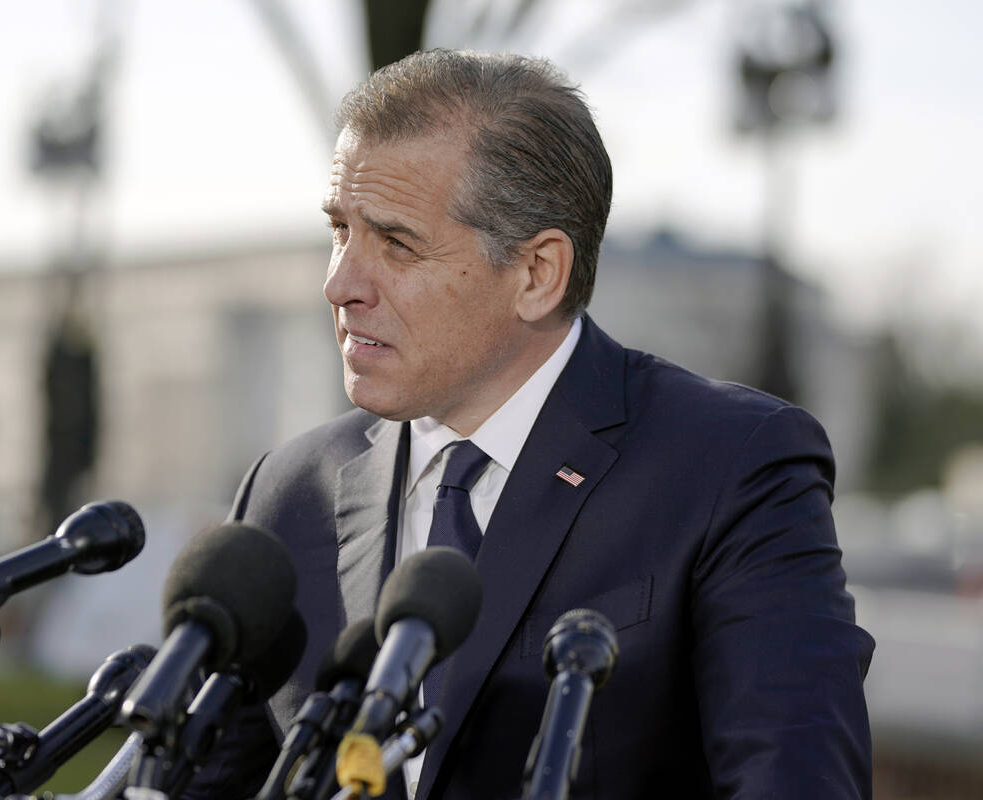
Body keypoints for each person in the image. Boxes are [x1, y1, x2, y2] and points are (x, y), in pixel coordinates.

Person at [189, 49, 874, 800]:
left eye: (394, 242)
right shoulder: (287, 494)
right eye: (339, 229)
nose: (340, 283)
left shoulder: (730, 467)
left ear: (538, 273)